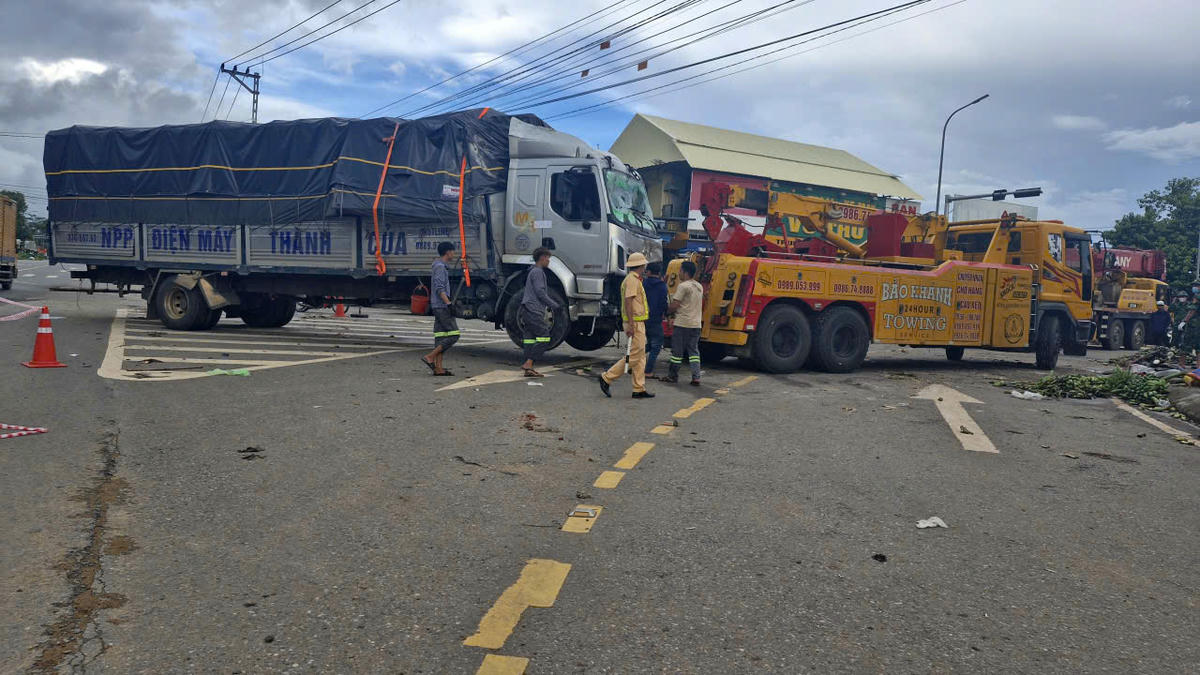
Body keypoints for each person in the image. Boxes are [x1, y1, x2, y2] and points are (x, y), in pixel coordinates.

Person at [599, 252, 653, 399]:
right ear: (641, 265)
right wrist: (630, 324)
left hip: (637, 321)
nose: (645, 267)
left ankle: (638, 388)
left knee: (640, 356)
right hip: (635, 322)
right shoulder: (632, 280)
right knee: (635, 355)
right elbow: (629, 302)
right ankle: (606, 377)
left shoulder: (633, 279)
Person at [520, 247, 560, 377]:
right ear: (542, 258)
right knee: (544, 337)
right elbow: (540, 292)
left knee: (529, 339)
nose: (549, 261)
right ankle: (529, 363)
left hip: (526, 309)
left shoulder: (532, 271)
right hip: (533, 310)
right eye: (548, 258)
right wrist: (554, 305)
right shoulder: (538, 272)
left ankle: (528, 369)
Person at [421, 242, 459, 376]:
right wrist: (448, 303)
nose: (454, 254)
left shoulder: (439, 266)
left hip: (438, 305)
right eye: (453, 251)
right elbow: (439, 288)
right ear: (448, 252)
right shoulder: (440, 267)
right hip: (442, 306)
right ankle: (430, 357)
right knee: (454, 334)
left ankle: (438, 368)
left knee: (440, 336)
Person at [664, 260, 704, 385]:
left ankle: (672, 376)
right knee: (693, 351)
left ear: (685, 272)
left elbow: (675, 305)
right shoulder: (699, 286)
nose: (679, 273)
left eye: (680, 271)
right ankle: (696, 377)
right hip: (696, 324)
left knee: (677, 352)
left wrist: (667, 311)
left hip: (683, 324)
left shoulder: (683, 286)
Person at [642, 262, 670, 379]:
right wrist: (667, 314)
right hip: (656, 318)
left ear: (648, 272)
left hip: (643, 318)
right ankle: (648, 371)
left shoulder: (643, 284)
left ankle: (631, 362)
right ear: (659, 273)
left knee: (649, 344)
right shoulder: (662, 286)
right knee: (656, 345)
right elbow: (664, 302)